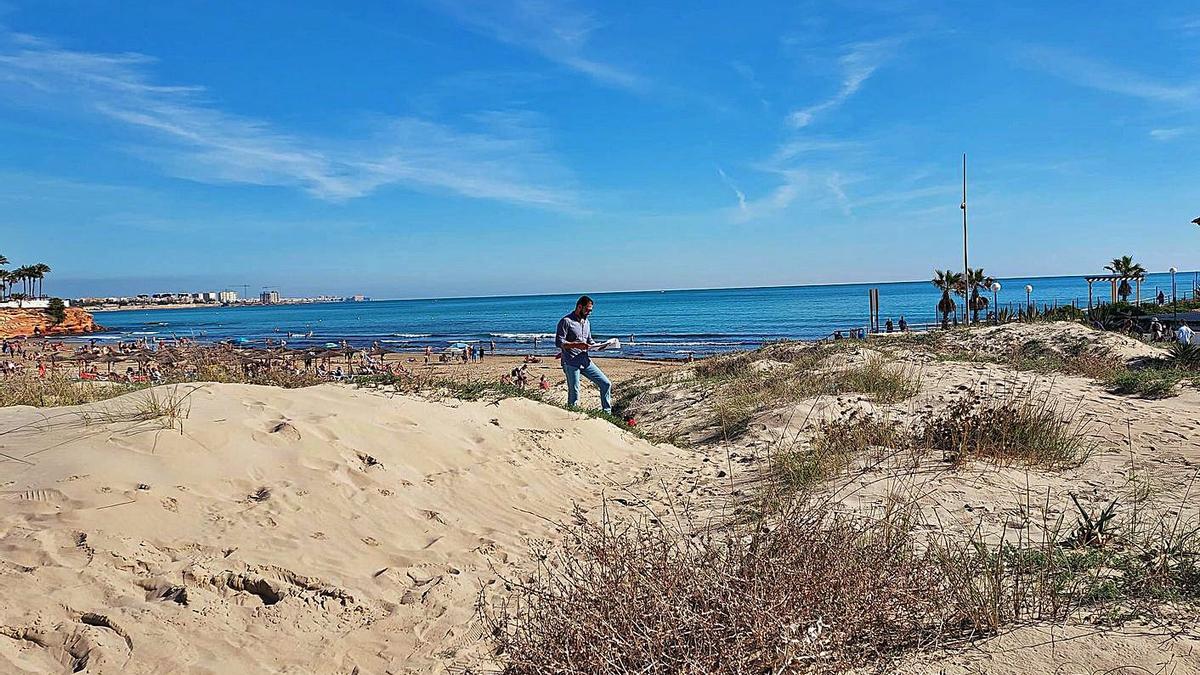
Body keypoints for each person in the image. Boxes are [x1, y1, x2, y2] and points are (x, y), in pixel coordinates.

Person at [555, 295, 612, 413]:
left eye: (591, 311)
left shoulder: (587, 322)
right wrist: (575, 345)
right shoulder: (566, 321)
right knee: (575, 392)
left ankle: (607, 414)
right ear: (579, 307)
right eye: (587, 310)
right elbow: (559, 342)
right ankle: (572, 416)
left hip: (585, 361)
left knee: (606, 383)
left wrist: (601, 346)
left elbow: (589, 341)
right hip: (570, 362)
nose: (589, 313)